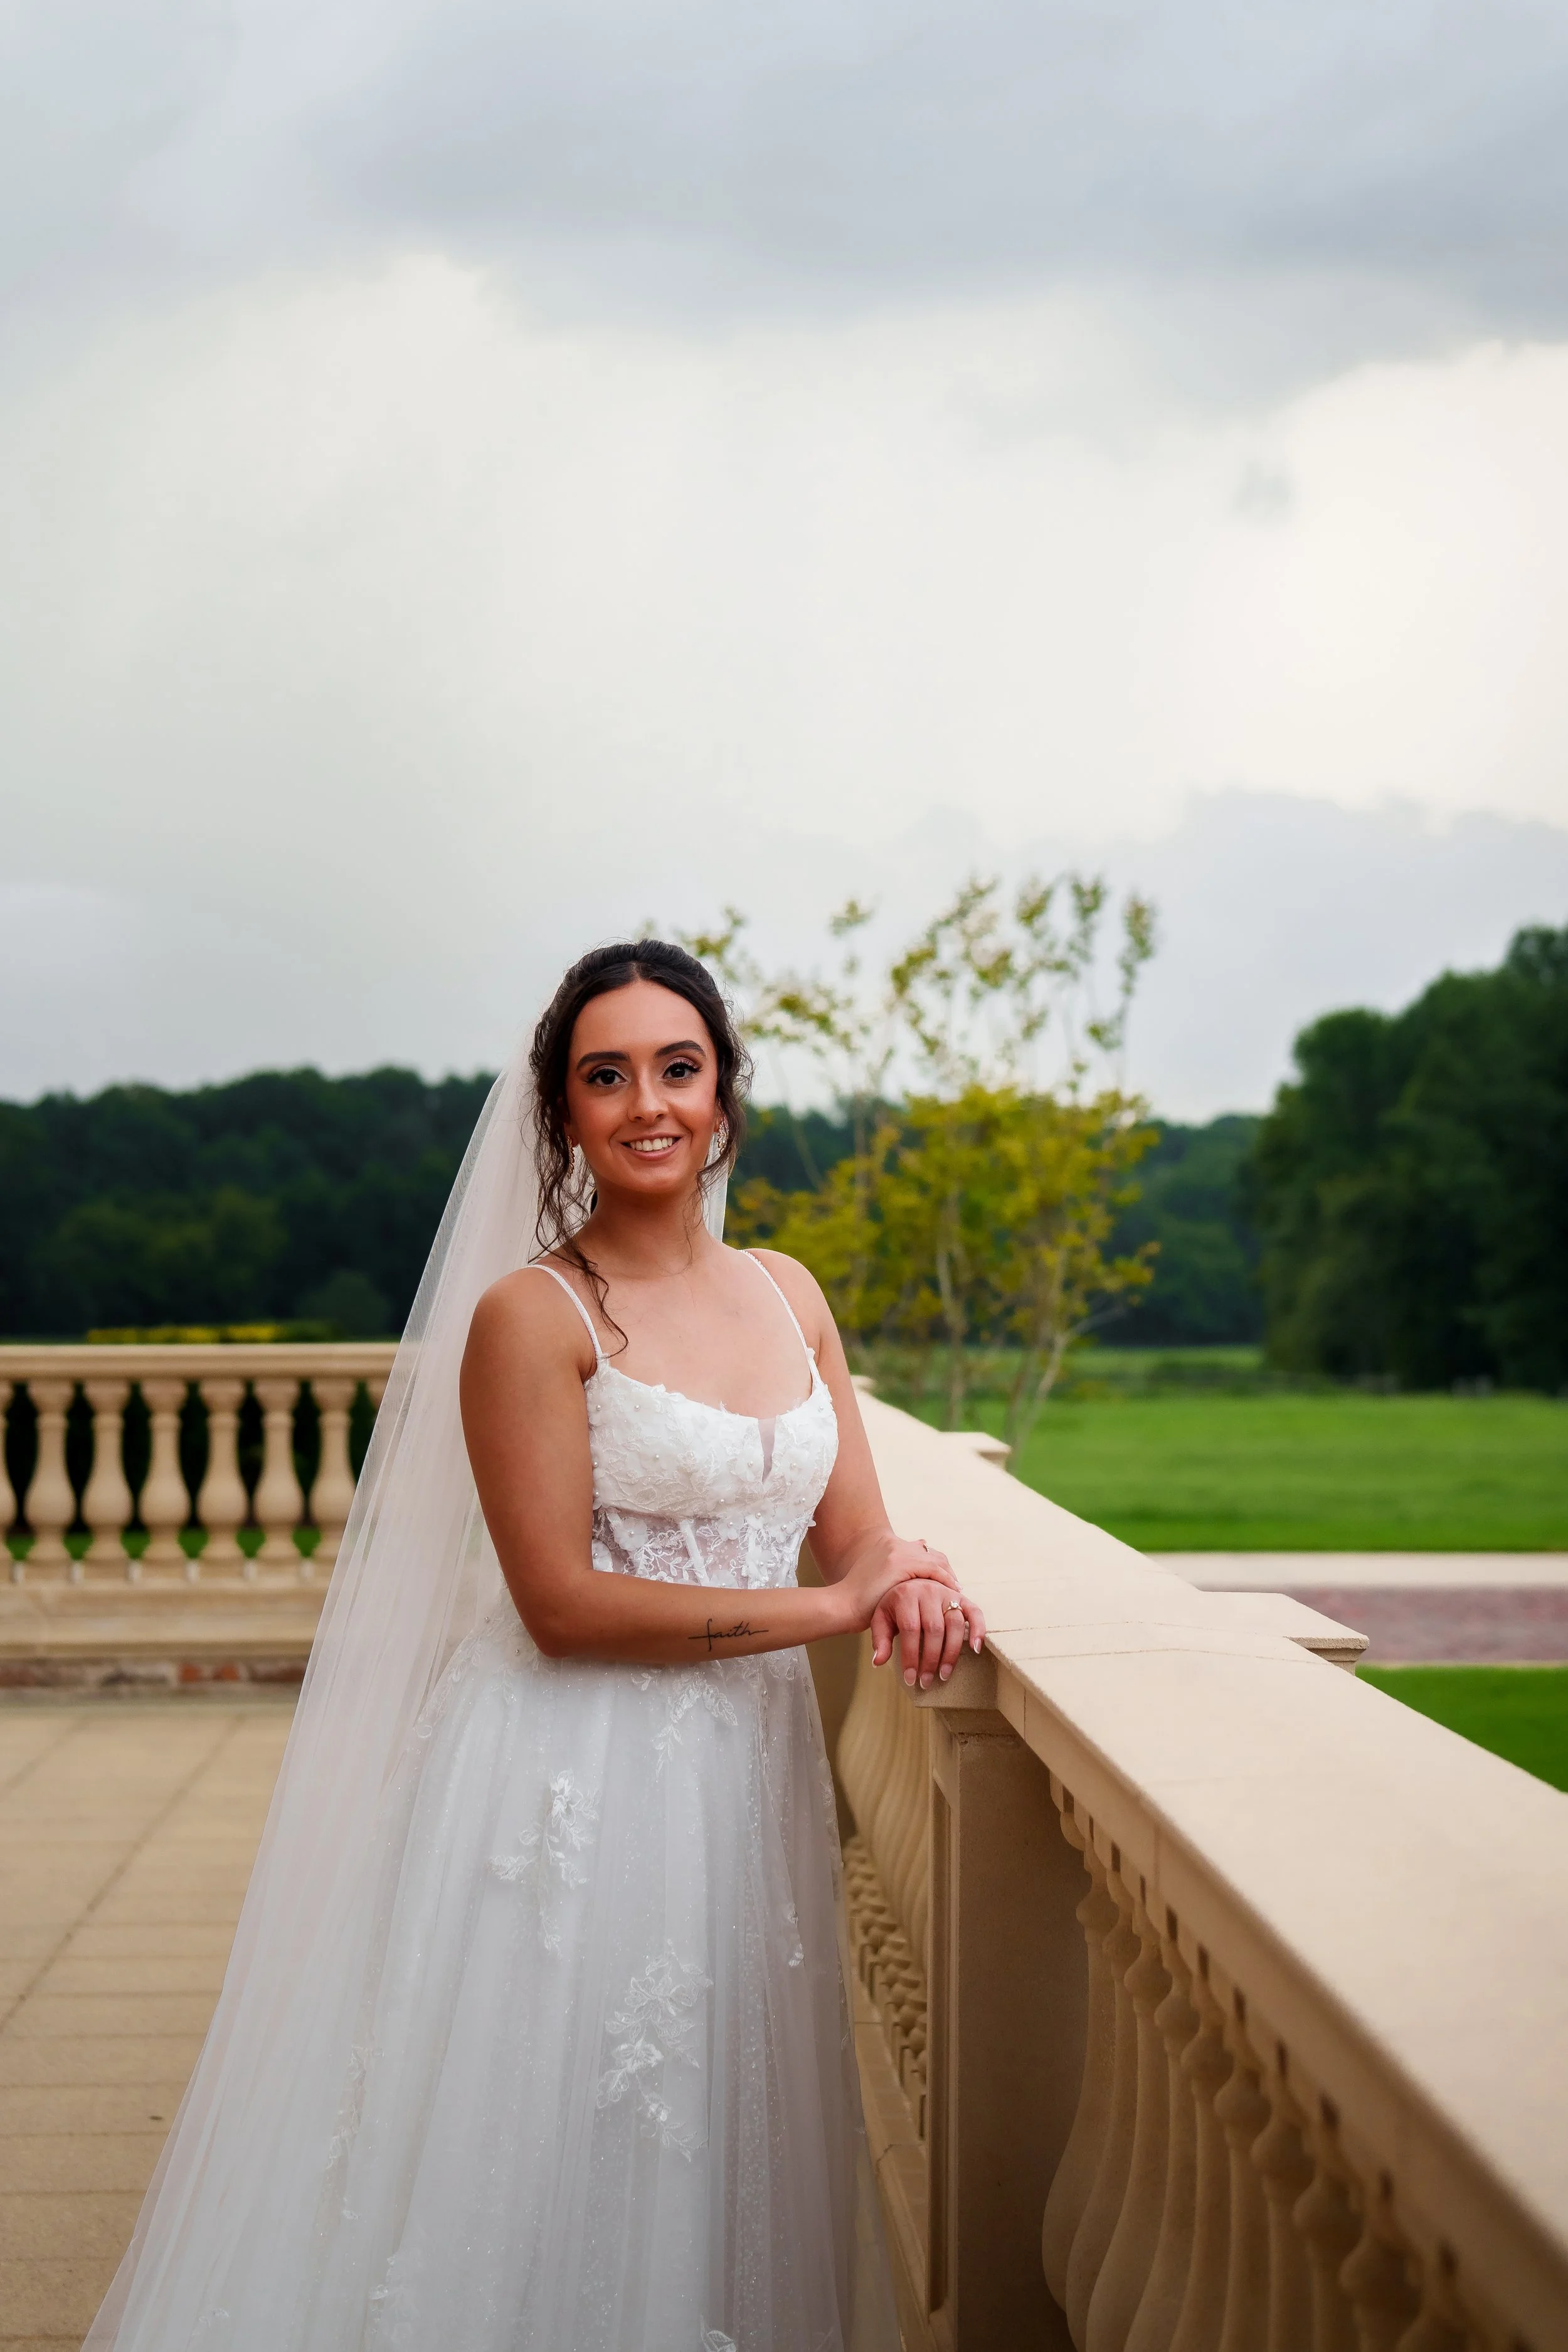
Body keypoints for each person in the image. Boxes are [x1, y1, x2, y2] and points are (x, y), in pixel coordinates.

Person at [86, 940, 983, 2352]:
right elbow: (557, 1603)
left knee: (698, 2149)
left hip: (742, 1784)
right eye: (605, 1076)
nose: (647, 1105)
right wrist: (824, 1613)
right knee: (534, 2148)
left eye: (677, 1070)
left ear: (724, 1093)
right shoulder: (529, 1315)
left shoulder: (790, 1291)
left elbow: (849, 1529)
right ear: (561, 1113)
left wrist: (905, 1574)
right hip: (570, 1780)